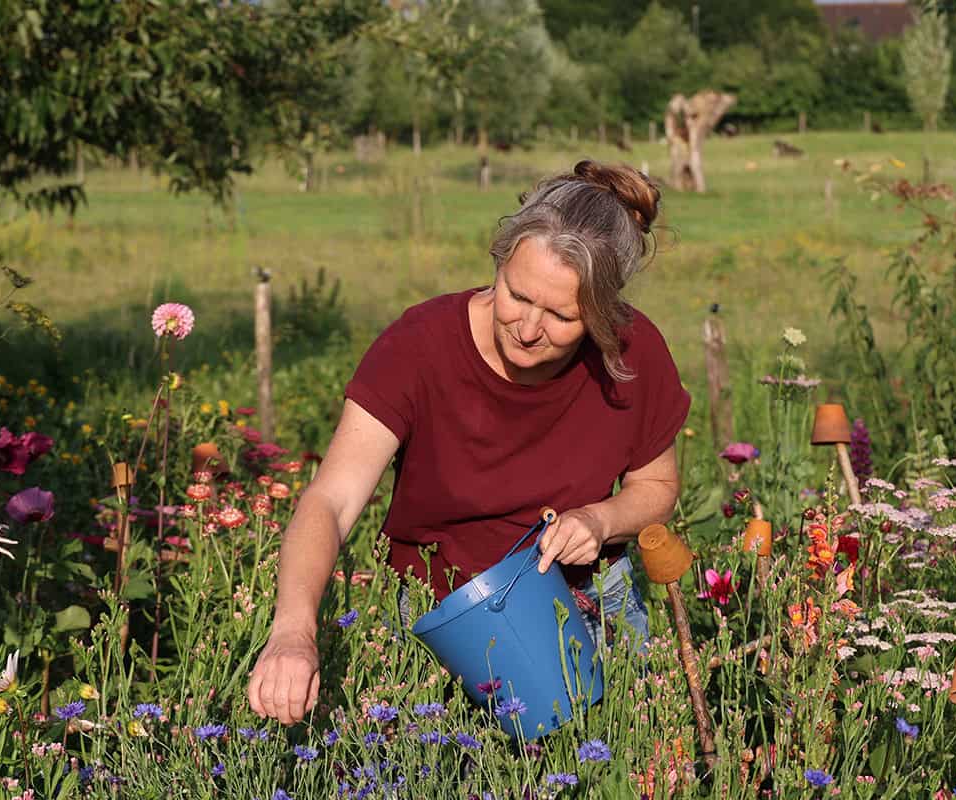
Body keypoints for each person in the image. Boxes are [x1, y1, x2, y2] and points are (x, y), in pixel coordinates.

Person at [248, 160, 691, 725]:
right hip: (440, 621)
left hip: (583, 605)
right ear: (500, 259)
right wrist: (292, 633)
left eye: (561, 316)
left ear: (603, 313)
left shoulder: (633, 353)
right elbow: (330, 501)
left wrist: (601, 521)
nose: (529, 329)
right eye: (517, 295)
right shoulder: (421, 346)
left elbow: (655, 486)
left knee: (609, 764)